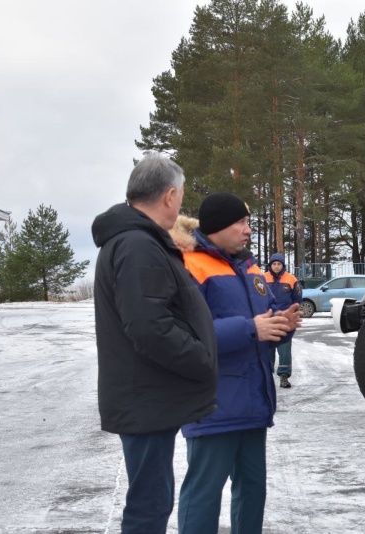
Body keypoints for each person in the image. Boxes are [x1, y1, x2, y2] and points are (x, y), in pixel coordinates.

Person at [91, 152, 218, 534]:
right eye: (180, 194)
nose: (181, 202)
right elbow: (150, 328)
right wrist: (200, 358)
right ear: (168, 196)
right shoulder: (137, 245)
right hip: (144, 398)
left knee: (153, 497)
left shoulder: (136, 241)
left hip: (146, 396)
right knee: (150, 503)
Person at [175, 192, 302, 534]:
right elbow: (185, 335)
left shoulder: (251, 267)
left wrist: (282, 325)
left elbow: (268, 318)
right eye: (241, 223)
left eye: (248, 222)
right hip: (213, 406)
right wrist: (251, 329)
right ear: (218, 227)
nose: (248, 230)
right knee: (203, 496)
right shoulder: (190, 265)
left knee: (252, 492)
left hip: (253, 403)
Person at [265, 252, 303, 388]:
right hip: (267, 320)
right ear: (270, 265)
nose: (276, 266)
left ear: (283, 265)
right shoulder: (262, 278)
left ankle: (284, 377)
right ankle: (266, 377)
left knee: (284, 350)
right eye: (274, 264)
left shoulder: (291, 279)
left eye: (279, 264)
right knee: (266, 351)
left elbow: (297, 300)